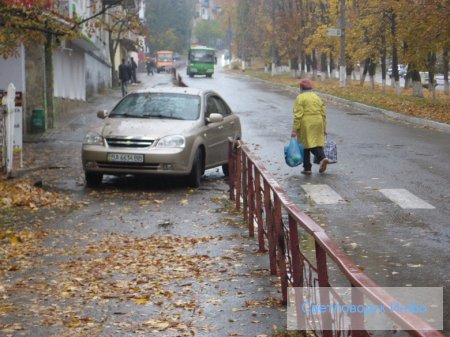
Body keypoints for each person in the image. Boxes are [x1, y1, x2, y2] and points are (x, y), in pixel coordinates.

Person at [291, 78, 329, 174]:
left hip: (306, 122)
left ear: (301, 88)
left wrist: (294, 129)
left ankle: (321, 159)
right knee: (314, 142)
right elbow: (323, 112)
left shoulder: (300, 97)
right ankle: (307, 167)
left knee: (306, 144)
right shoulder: (316, 97)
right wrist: (324, 127)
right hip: (318, 120)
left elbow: (298, 114)